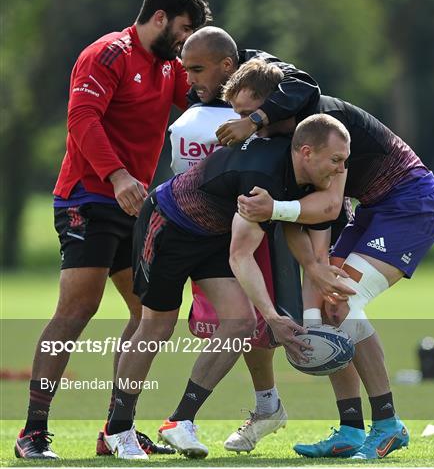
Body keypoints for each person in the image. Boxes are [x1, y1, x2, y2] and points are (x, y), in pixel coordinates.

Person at [103, 61, 352, 460]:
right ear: (307, 153)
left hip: (210, 236)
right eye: (336, 163)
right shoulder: (267, 174)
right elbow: (241, 255)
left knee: (239, 322)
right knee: (157, 326)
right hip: (168, 224)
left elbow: (302, 84)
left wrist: (311, 273)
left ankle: (180, 420)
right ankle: (118, 429)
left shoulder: (294, 152)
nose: (341, 172)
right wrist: (274, 317)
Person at [14, 0, 211, 460]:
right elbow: (82, 120)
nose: (187, 42)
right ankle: (32, 433)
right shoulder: (108, 54)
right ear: (160, 18)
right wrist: (119, 176)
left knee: (147, 315)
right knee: (77, 311)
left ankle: (115, 429)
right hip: (89, 198)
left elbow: (206, 106)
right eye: (185, 29)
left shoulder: (171, 68)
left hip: (134, 206)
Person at [237, 94, 434, 459]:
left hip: (410, 204)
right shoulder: (288, 150)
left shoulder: (318, 125)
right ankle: (350, 429)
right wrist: (312, 317)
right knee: (325, 304)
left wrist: (274, 208)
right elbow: (311, 234)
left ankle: (388, 424)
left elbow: (331, 206)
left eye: (248, 112)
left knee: (343, 302)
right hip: (373, 210)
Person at [177, 26, 352, 453]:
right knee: (254, 322)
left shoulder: (273, 83)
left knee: (290, 321)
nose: (189, 79)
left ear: (227, 65)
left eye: (196, 69)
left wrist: (251, 121)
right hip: (236, 221)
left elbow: (304, 87)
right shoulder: (201, 104)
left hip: (280, 220)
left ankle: (357, 424)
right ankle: (268, 405)